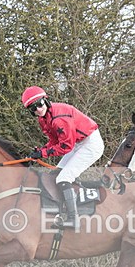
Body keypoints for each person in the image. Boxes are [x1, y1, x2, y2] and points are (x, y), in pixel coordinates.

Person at [21, 86, 104, 228]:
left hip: (90, 144)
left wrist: (43, 153)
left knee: (64, 178)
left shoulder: (59, 119)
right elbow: (54, 142)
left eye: (39, 104)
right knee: (55, 175)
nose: (38, 110)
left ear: (45, 100)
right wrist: (41, 150)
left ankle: (73, 219)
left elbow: (66, 146)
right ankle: (62, 210)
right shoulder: (43, 119)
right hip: (78, 143)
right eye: (33, 109)